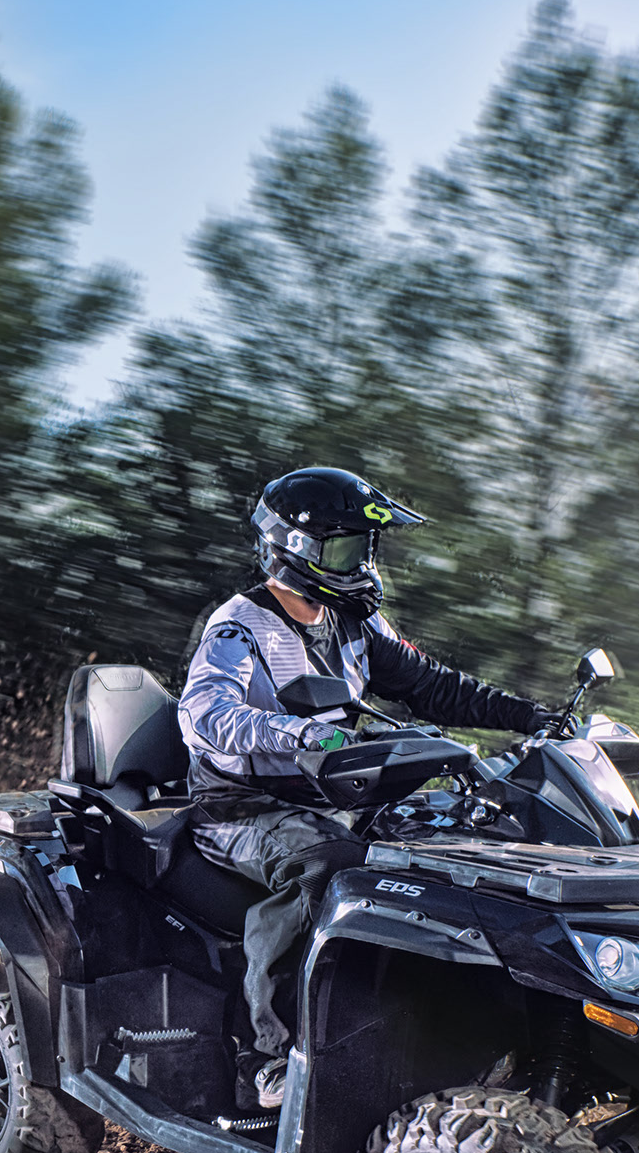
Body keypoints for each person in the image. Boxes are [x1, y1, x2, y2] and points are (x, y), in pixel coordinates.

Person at [178, 467, 548, 1111]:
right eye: (350, 548)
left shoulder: (354, 620)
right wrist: (300, 733)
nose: (365, 564)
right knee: (330, 868)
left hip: (336, 796)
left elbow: (431, 685)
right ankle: (266, 1057)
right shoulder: (238, 627)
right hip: (242, 808)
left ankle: (454, 1034)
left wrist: (531, 716)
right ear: (298, 548)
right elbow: (203, 714)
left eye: (368, 548)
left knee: (448, 852)